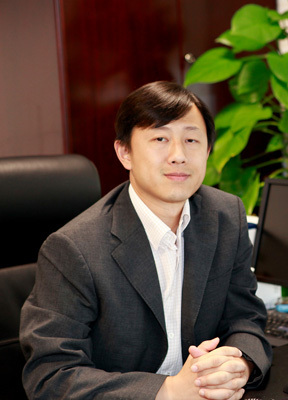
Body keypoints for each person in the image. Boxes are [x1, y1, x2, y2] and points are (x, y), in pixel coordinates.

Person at [20, 81, 272, 399]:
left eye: (191, 140)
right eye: (160, 138)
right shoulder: (74, 249)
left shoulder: (225, 215)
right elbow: (51, 376)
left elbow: (245, 316)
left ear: (208, 151)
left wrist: (238, 365)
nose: (178, 155)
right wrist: (167, 391)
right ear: (125, 153)